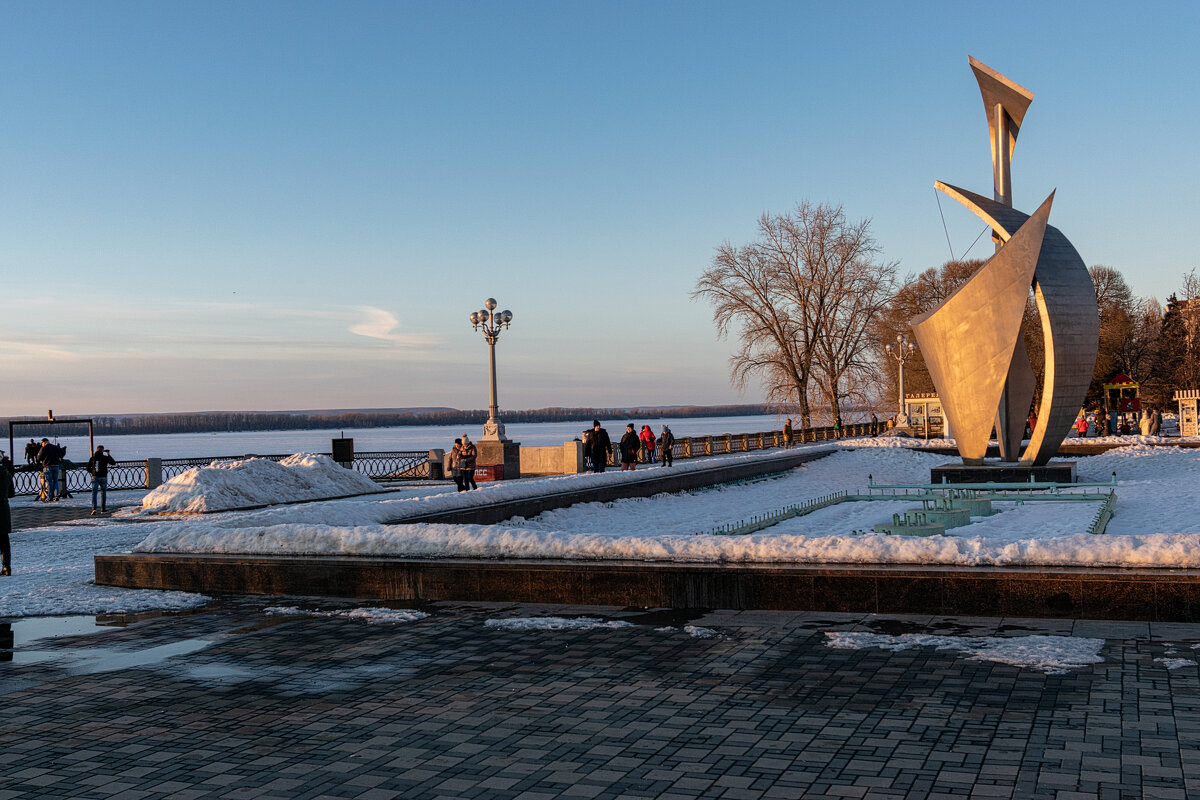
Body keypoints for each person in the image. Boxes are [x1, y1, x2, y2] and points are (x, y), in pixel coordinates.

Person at [87, 445, 117, 515]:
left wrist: (93, 472)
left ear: (97, 450)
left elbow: (88, 468)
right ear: (103, 450)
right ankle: (103, 509)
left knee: (94, 493)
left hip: (95, 477)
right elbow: (113, 463)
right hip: (103, 477)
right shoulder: (105, 458)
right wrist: (109, 454)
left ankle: (94, 508)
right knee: (103, 493)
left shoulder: (93, 458)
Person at [36, 438, 64, 502]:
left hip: (47, 466)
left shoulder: (44, 448)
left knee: (49, 482)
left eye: (42, 443)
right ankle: (56, 495)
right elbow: (61, 454)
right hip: (56, 466)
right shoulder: (55, 447)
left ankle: (50, 497)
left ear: (44, 442)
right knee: (55, 481)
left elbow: (39, 458)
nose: (41, 445)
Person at [0, 456, 12, 576]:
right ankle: (6, 567)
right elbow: (11, 493)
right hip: (3, 510)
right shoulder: (6, 473)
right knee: (4, 540)